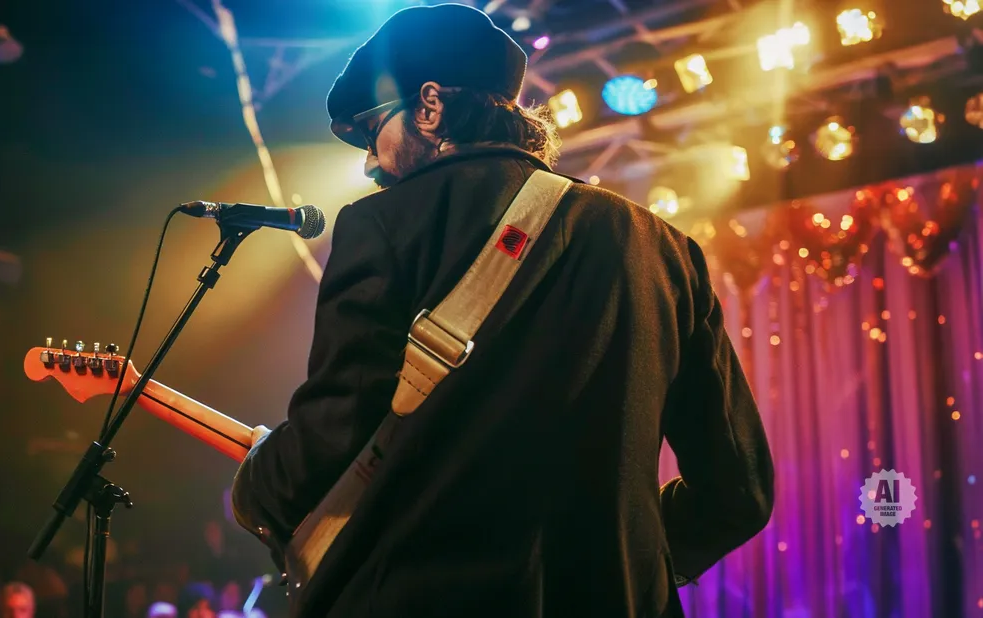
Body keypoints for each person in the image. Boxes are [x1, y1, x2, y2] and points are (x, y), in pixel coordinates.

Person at [231, 4, 774, 617]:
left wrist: (258, 486)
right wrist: (627, 562)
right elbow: (741, 491)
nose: (369, 161)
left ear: (429, 106)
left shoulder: (381, 225)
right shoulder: (667, 250)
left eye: (371, 128)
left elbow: (333, 435)